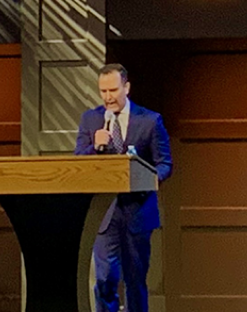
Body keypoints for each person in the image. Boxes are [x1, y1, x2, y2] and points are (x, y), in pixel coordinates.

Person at [74, 63, 172, 312]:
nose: (108, 97)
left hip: (137, 211)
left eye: (113, 90)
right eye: (103, 91)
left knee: (135, 280)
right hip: (103, 214)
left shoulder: (150, 120)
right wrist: (94, 147)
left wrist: (147, 179)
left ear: (126, 87)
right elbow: (78, 165)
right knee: (105, 278)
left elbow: (165, 164)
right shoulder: (91, 119)